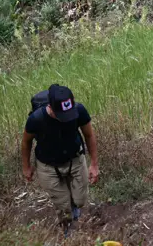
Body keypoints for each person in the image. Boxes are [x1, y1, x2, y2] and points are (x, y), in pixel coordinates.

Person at [21, 84, 99, 234]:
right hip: (47, 165)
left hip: (75, 159)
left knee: (81, 200)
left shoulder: (79, 110)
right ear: (50, 107)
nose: (66, 119)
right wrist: (26, 167)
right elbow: (26, 142)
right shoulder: (36, 119)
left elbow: (89, 135)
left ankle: (74, 205)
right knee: (63, 207)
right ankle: (67, 231)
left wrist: (94, 164)